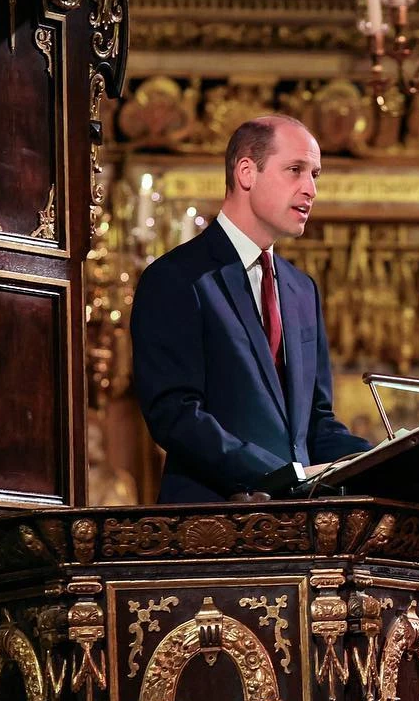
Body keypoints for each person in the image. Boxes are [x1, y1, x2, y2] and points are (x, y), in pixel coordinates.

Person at [131, 115, 372, 502]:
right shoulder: (177, 278)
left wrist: (384, 461)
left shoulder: (302, 289)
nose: (310, 189)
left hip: (298, 524)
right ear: (246, 172)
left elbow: (317, 423)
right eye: (295, 170)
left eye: (314, 175)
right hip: (213, 520)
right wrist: (276, 477)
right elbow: (175, 414)